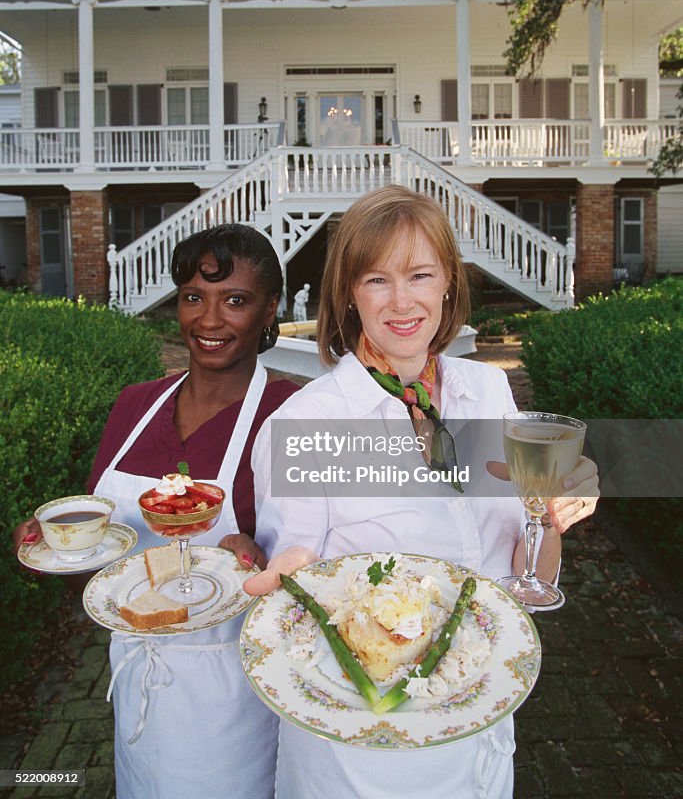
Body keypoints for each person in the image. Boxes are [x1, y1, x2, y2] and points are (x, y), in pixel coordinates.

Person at [245, 185, 599, 799]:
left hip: (481, 725)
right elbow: (297, 598)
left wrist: (551, 520)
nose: (402, 301)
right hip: (362, 750)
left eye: (420, 274)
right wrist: (290, 574)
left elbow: (521, 570)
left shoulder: (487, 394)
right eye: (377, 279)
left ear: (447, 285)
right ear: (349, 295)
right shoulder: (305, 425)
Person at [15, 224, 299, 799]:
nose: (209, 320)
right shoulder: (134, 406)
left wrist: (263, 564)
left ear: (271, 309)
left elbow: (319, 570)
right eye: (194, 297)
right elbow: (108, 556)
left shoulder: (292, 413)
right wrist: (57, 549)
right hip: (137, 676)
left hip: (238, 694)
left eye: (235, 300)